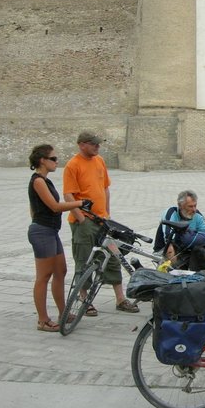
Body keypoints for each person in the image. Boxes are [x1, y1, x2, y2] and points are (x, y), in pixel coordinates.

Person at [63, 131, 139, 315]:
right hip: (84, 221)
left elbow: (104, 188)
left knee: (113, 256)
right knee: (84, 259)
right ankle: (83, 298)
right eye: (94, 144)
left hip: (102, 220)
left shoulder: (99, 161)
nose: (98, 147)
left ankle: (120, 299)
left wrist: (107, 213)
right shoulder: (73, 165)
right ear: (81, 144)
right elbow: (68, 195)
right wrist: (81, 219)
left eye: (98, 144)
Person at [28, 145, 89, 332]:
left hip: (50, 231)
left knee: (60, 271)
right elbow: (54, 206)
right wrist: (80, 203)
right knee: (43, 276)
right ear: (42, 161)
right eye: (53, 159)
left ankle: (63, 311)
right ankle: (43, 320)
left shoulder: (46, 182)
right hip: (42, 232)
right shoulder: (38, 181)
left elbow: (33, 207)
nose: (56, 162)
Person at [156, 190, 205, 261]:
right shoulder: (171, 212)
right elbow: (168, 240)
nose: (194, 209)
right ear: (180, 206)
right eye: (190, 206)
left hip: (187, 249)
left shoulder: (197, 215)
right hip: (165, 249)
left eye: (195, 206)